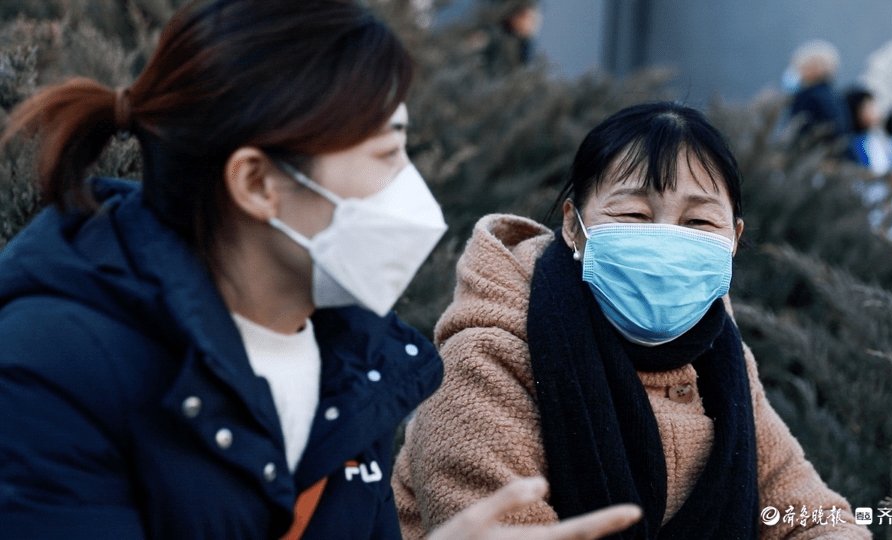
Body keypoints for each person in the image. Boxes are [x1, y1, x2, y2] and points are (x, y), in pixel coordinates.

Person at [0, 1, 641, 539]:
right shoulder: (52, 364)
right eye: (387, 152)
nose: (412, 188)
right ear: (256, 182)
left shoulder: (351, 358)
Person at [392, 102, 872, 540]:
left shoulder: (720, 351)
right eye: (633, 213)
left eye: (699, 222)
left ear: (734, 236)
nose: (666, 239)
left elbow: (802, 510)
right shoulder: (488, 357)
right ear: (572, 226)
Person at [784, 40, 851, 142]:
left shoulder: (809, 97)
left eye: (804, 66)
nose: (800, 71)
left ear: (817, 67)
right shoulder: (834, 94)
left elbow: (798, 133)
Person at [844, 86, 890, 175]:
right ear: (856, 111)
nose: (875, 112)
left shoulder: (873, 137)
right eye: (869, 107)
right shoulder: (854, 144)